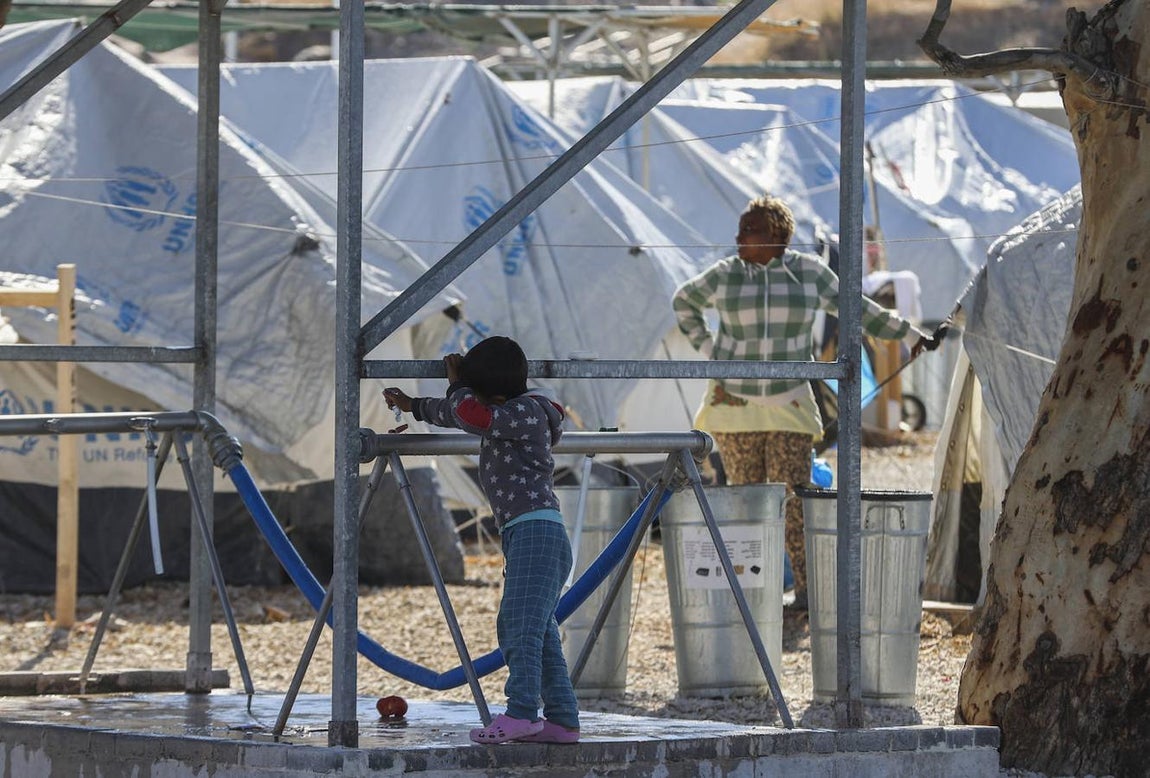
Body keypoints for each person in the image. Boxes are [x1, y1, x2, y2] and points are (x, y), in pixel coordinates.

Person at [671, 195, 933, 611]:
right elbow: (683, 301)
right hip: (733, 405)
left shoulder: (808, 274)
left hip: (789, 403)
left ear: (777, 235)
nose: (739, 236)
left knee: (793, 499)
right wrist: (710, 348)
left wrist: (909, 335)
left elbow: (855, 309)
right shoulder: (725, 275)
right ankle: (753, 596)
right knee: (745, 502)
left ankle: (808, 595)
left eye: (749, 229)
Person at [383, 335, 580, 745]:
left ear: (491, 390)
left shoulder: (525, 412)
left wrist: (457, 386)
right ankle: (562, 720)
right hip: (527, 532)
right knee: (539, 630)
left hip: (535, 532)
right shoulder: (514, 411)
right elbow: (461, 414)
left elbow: (469, 415)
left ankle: (522, 713)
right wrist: (412, 405)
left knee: (517, 627)